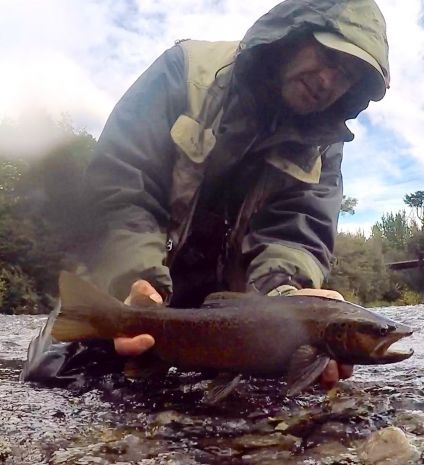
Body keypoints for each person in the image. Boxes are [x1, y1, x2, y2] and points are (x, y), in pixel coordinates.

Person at [21, 0, 390, 390]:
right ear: (293, 36)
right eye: (328, 55)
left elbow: (297, 232)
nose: (328, 81)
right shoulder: (184, 71)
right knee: (55, 376)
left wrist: (290, 298)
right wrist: (134, 280)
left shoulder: (324, 144)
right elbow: (121, 189)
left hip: (236, 314)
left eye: (347, 76)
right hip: (139, 283)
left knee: (268, 392)